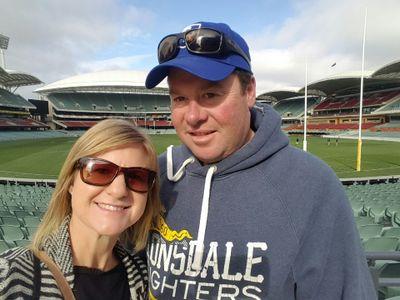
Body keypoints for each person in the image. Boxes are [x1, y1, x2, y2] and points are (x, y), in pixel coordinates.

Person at [144, 21, 376, 299]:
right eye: (179, 98)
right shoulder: (155, 175)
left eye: (210, 95)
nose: (193, 117)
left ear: (249, 91)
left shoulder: (311, 186)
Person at [0, 119, 161, 299]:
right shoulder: (10, 275)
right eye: (101, 171)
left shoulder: (146, 279)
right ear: (71, 182)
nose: (119, 191)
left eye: (137, 177)